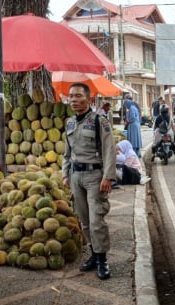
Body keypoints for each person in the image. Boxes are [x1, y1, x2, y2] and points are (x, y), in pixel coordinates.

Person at [62, 83, 116, 280]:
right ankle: (94, 255)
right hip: (76, 176)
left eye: (78, 96)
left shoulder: (99, 121)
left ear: (89, 98)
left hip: (95, 177)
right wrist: (65, 174)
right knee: (84, 221)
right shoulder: (69, 123)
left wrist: (108, 176)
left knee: (96, 221)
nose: (74, 100)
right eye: (71, 96)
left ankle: (102, 260)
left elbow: (109, 149)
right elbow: (67, 153)